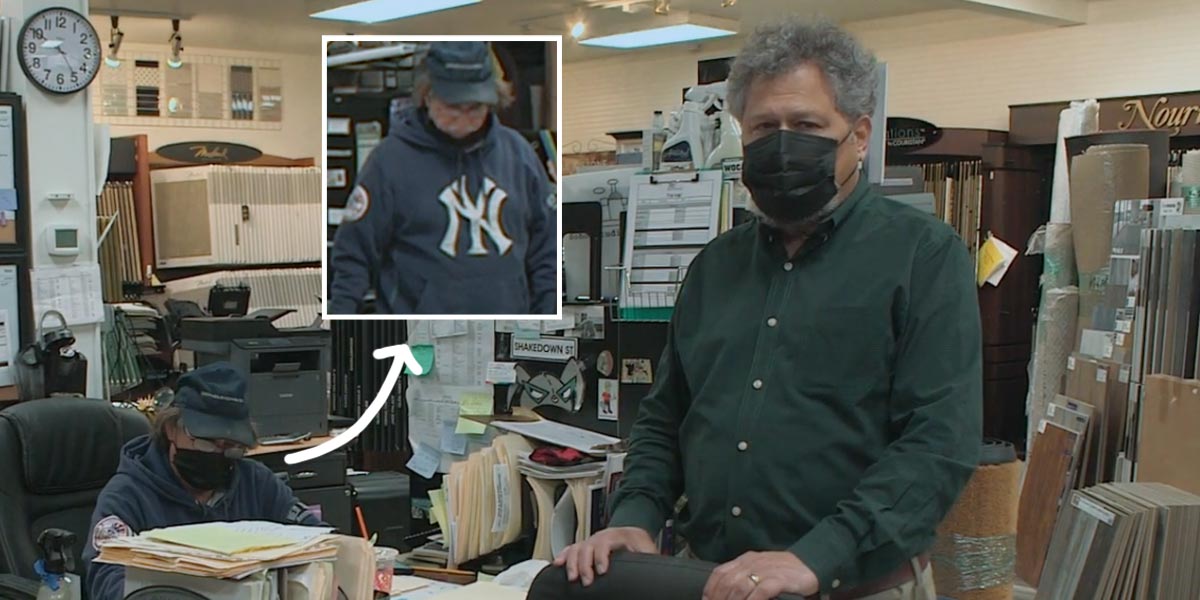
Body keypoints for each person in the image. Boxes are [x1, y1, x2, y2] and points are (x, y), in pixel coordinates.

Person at [556, 18, 982, 600]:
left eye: (806, 125)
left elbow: (937, 443)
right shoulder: (715, 269)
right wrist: (637, 513)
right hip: (712, 580)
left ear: (859, 135)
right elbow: (665, 418)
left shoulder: (922, 257)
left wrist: (817, 556)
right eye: (763, 128)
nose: (782, 145)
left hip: (852, 585)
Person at [329, 40, 557, 315]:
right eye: (452, 105)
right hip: (417, 337)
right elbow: (354, 255)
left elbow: (546, 253)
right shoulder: (389, 161)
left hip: (507, 334)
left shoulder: (519, 155)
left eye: (474, 107)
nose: (463, 117)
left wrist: (548, 324)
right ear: (427, 96)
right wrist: (341, 329)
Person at [83, 362, 326, 599]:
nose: (216, 453)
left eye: (230, 446)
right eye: (205, 441)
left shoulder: (256, 482)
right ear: (171, 429)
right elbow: (105, 580)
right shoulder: (127, 495)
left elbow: (317, 541)